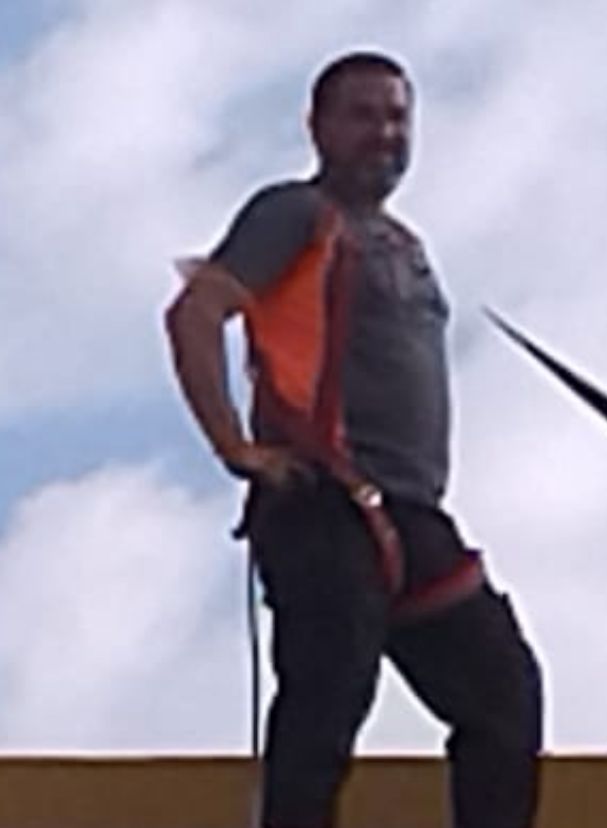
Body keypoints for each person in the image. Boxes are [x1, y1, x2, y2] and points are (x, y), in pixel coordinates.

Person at [163, 51, 543, 828]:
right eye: (363, 115)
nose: (384, 132)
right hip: (323, 504)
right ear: (319, 128)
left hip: (409, 514)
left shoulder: (403, 242)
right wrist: (236, 447)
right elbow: (195, 314)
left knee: (501, 692)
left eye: (397, 116)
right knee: (329, 694)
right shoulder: (297, 215)